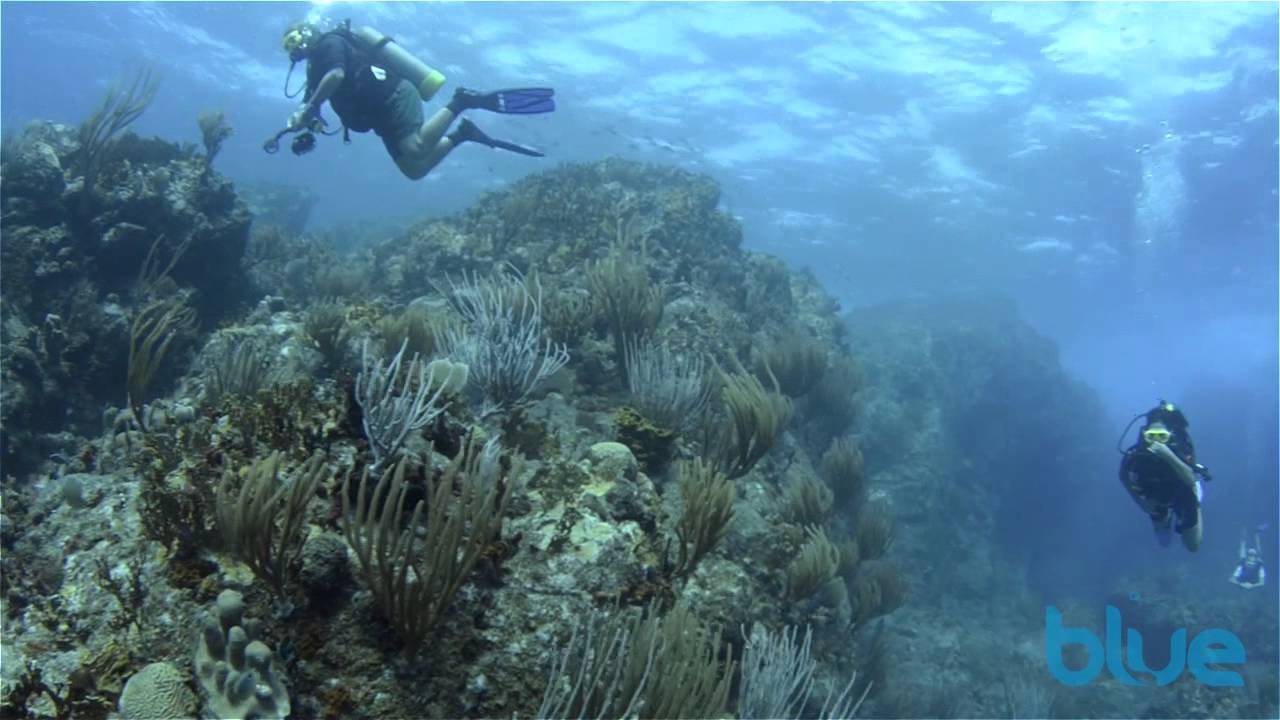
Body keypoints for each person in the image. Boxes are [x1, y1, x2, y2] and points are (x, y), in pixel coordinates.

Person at [276, 20, 555, 179]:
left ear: (308, 33)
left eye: (295, 39)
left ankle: (461, 101)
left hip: (392, 94)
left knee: (415, 147)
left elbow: (337, 75)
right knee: (414, 168)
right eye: (289, 45)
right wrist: (304, 121)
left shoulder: (329, 43)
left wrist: (311, 105)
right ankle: (462, 133)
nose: (294, 48)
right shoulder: (313, 71)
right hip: (377, 114)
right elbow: (314, 102)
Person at [1118, 401, 1212, 552]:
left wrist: (1168, 455)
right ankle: (1166, 518)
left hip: (1184, 490)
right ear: (1144, 435)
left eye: (1161, 436)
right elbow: (1123, 475)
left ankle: (1197, 501)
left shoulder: (1178, 449)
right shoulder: (1138, 453)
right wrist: (1140, 503)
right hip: (1156, 494)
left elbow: (1190, 478)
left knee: (1192, 546)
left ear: (1169, 436)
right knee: (1164, 541)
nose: (1156, 441)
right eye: (1151, 436)